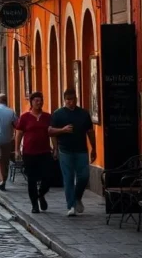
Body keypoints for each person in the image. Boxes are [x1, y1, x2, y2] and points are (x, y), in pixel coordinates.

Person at [49, 89, 96, 217]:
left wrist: (94, 148)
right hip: (65, 150)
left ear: (76, 99)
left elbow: (90, 132)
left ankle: (77, 197)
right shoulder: (58, 114)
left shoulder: (83, 114)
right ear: (64, 100)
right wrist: (62, 131)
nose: (71, 102)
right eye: (68, 100)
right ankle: (71, 206)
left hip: (81, 150)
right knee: (68, 178)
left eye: (73, 99)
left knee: (84, 176)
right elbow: (50, 131)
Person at [15, 91, 52, 213]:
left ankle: (41, 194)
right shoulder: (25, 117)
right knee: (31, 179)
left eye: (41, 100)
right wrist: (17, 150)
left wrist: (55, 148)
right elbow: (19, 133)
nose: (39, 102)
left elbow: (52, 133)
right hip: (29, 152)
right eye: (36, 100)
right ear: (31, 102)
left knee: (48, 177)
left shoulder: (47, 117)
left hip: (45, 151)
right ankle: (34, 205)